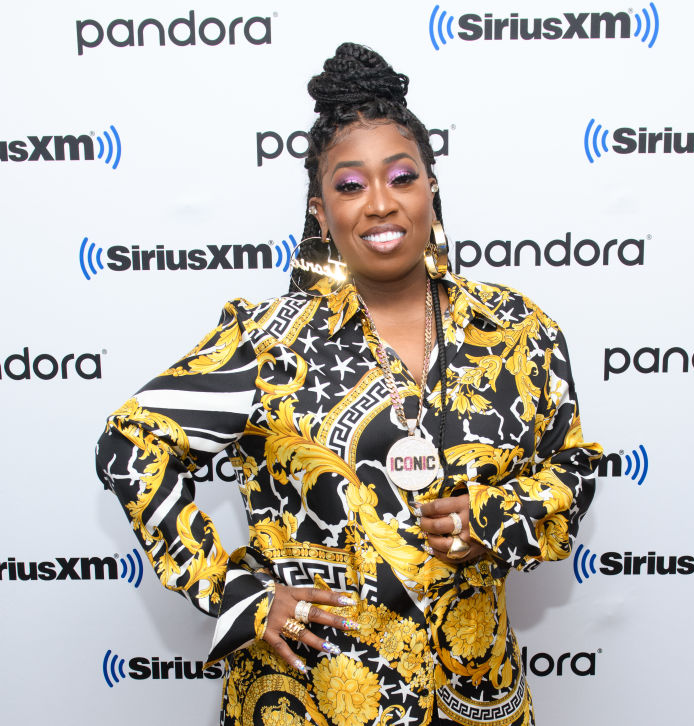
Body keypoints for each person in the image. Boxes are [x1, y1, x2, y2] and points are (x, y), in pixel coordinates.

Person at [95, 42, 601, 726]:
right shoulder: (267, 343)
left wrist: (498, 516)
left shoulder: (517, 330)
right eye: (350, 185)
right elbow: (131, 444)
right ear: (320, 212)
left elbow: (573, 468)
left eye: (402, 177)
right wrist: (236, 594)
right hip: (314, 701)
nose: (381, 205)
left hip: (476, 699)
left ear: (431, 189)